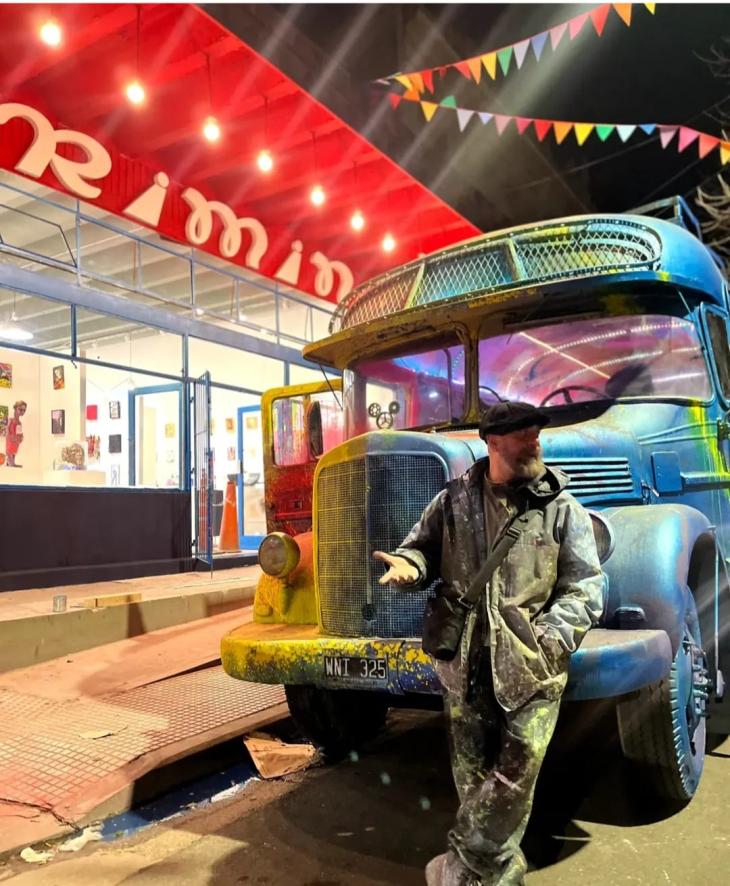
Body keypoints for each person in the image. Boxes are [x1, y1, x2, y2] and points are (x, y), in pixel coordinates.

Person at [373, 401, 604, 886]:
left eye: (536, 433)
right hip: (465, 666)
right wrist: (409, 567)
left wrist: (550, 640)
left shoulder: (561, 508)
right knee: (472, 777)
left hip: (531, 667)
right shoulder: (452, 502)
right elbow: (421, 550)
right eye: (524, 435)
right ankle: (495, 873)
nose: (535, 442)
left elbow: (585, 586)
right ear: (493, 442)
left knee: (515, 778)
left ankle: (459, 862)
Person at [6, 400, 27, 467]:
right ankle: (10, 462)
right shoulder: (11, 420)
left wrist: (21, 436)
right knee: (10, 450)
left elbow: (19, 432)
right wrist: (11, 437)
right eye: (20, 409)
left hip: (16, 441)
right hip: (11, 440)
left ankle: (12, 462)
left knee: (14, 451)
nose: (22, 412)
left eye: (24, 410)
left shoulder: (19, 422)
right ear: (15, 408)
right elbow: (7, 431)